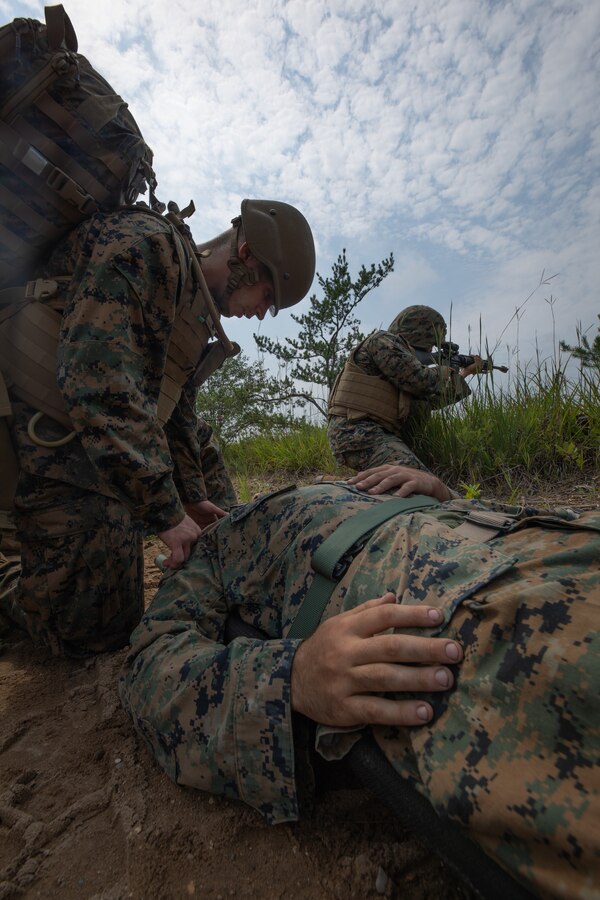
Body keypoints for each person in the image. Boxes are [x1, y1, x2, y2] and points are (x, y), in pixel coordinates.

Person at [119, 464, 600, 900]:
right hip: (457, 609)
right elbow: (150, 663)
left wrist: (441, 492)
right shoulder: (212, 553)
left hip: (544, 541)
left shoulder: (344, 480)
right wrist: (292, 677)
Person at [0, 199, 315, 657]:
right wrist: (165, 513)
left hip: (84, 436)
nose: (262, 312)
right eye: (267, 296)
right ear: (246, 256)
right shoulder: (146, 247)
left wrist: (189, 495)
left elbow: (176, 412)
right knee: (91, 631)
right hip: (39, 431)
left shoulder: (192, 304)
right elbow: (97, 380)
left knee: (200, 448)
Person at [327, 305, 484, 472]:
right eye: (430, 344)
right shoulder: (381, 340)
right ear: (419, 333)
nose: (431, 350)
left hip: (375, 433)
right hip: (356, 431)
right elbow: (419, 380)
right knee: (417, 481)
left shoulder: (399, 363)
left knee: (422, 477)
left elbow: (431, 400)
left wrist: (464, 373)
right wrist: (446, 371)